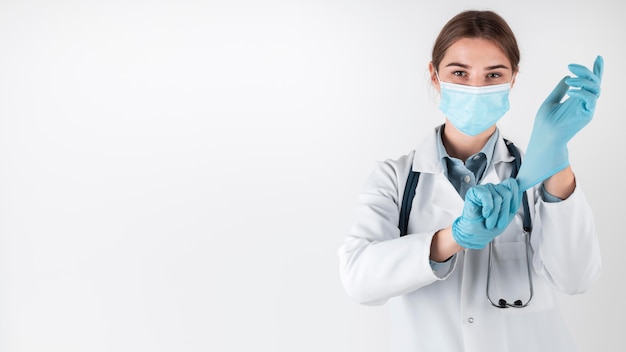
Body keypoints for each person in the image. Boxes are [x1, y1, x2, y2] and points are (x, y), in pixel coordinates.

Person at [338, 10, 602, 352]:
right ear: (434, 76)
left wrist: (556, 158)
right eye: (459, 72)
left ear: (513, 79)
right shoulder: (395, 178)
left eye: (493, 74)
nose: (476, 87)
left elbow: (576, 278)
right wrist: (453, 238)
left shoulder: (535, 176)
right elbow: (359, 281)